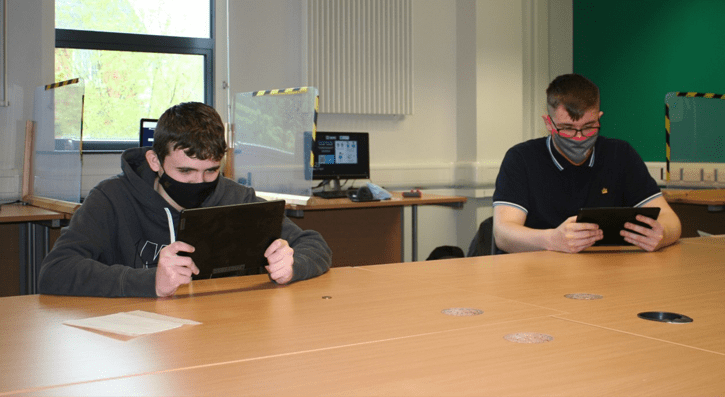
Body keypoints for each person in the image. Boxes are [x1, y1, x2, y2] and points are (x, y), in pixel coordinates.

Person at [39, 102, 332, 297]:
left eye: (211, 171)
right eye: (185, 171)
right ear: (155, 161)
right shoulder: (111, 198)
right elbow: (55, 272)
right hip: (140, 345)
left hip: (221, 332)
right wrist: (149, 281)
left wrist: (294, 265)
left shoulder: (238, 198)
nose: (198, 182)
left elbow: (316, 244)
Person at [492, 73, 681, 254]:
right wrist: (552, 240)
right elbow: (503, 234)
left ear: (599, 118)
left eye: (589, 127)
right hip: (537, 271)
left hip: (605, 270)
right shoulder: (521, 158)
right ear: (549, 123)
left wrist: (662, 234)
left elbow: (671, 220)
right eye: (567, 129)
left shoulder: (620, 154)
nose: (579, 137)